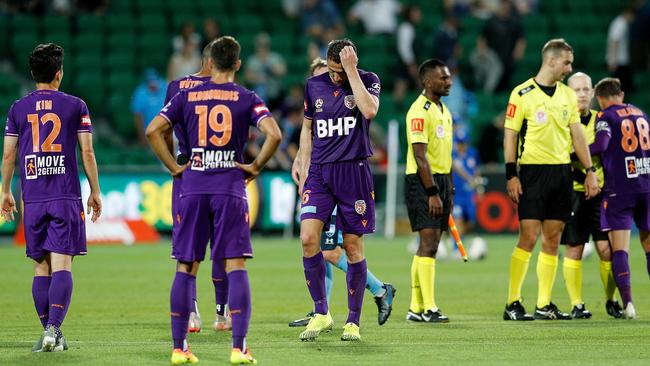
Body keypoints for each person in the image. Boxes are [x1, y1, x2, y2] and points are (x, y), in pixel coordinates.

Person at [146, 36, 281, 364]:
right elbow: (274, 134)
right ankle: (239, 348)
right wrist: (256, 165)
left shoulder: (185, 95)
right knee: (235, 265)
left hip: (192, 184)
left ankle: (179, 349)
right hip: (230, 186)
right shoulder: (246, 97)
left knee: (186, 266)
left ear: (209, 62)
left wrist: (175, 168)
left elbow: (153, 131)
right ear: (237, 63)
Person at [1, 43, 102, 352]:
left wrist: (5, 190)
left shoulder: (18, 108)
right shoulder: (76, 105)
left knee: (40, 267)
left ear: (34, 74)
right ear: (59, 73)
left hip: (32, 197)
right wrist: (95, 190)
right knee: (62, 266)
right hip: (64, 196)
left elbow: (8, 155)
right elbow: (86, 150)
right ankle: (53, 329)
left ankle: (49, 332)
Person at [289, 58, 395, 328]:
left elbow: (368, 110)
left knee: (331, 251)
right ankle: (321, 311)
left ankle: (379, 289)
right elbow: (307, 132)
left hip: (344, 175)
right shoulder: (315, 95)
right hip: (319, 177)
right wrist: (301, 161)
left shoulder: (355, 89)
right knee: (318, 246)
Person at [503, 39, 600, 321]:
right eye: (567, 63)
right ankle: (512, 302)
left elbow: (577, 135)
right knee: (529, 236)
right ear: (552, 61)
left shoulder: (567, 96)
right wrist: (511, 174)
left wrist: (590, 170)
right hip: (532, 172)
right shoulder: (521, 93)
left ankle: (544, 303)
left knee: (553, 238)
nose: (569, 69)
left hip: (561, 173)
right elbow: (510, 135)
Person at [163, 41, 232, 334]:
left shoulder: (177, 87)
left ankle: (192, 312)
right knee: (222, 246)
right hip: (219, 173)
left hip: (187, 172)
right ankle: (222, 312)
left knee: (189, 246)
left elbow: (162, 130)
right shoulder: (229, 90)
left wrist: (172, 165)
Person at [560, 72, 623, 319]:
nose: (583, 94)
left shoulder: (602, 119)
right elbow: (563, 158)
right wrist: (587, 176)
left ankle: (611, 300)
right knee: (574, 248)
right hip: (574, 192)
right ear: (568, 93)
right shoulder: (563, 122)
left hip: (602, 194)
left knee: (606, 250)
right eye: (577, 90)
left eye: (587, 89)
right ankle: (577, 304)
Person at [591, 77, 650, 319]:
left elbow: (602, 144)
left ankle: (628, 304)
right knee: (648, 246)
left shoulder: (605, 116)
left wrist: (575, 152)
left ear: (600, 99)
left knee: (620, 250)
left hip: (621, 188)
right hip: (646, 183)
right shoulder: (641, 113)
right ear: (621, 94)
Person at [403, 59, 453, 323]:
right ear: (427, 81)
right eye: (443, 78)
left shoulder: (444, 110)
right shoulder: (418, 111)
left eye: (448, 77)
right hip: (423, 182)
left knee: (429, 244)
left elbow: (444, 153)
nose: (449, 81)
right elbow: (420, 156)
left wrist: (448, 187)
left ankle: (415, 307)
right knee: (429, 244)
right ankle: (429, 307)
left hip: (442, 181)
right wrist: (432, 191)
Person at [131, 68, 167, 145]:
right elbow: (138, 117)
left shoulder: (166, 87)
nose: (153, 85)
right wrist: (143, 138)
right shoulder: (140, 93)